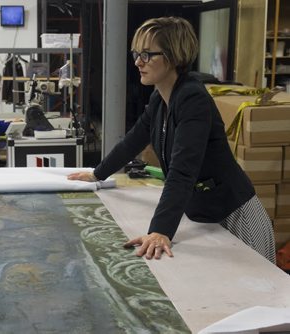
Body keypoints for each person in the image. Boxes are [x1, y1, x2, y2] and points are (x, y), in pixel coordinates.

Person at [68, 17, 276, 264]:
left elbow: (183, 168)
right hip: (204, 214)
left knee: (257, 290)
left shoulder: (192, 99)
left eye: (147, 55)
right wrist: (97, 174)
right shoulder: (160, 99)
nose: (137, 62)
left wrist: (160, 230)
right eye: (136, 53)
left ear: (173, 56)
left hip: (235, 215)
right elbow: (132, 142)